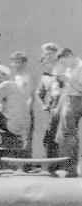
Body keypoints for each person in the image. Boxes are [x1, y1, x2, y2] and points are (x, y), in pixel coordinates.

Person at [0, 65, 32, 159]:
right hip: (23, 127)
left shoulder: (6, 84)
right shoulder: (15, 86)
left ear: (5, 76)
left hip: (13, 124)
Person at [54, 48, 82, 177]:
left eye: (64, 62)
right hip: (70, 100)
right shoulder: (69, 69)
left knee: (70, 135)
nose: (64, 65)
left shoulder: (80, 67)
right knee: (68, 135)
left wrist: (68, 80)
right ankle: (70, 168)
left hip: (77, 99)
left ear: (70, 56)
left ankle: (71, 168)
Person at [36, 43, 64, 169]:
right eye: (45, 55)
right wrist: (43, 105)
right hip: (52, 107)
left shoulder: (62, 70)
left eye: (49, 55)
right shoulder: (46, 76)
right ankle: (52, 166)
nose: (46, 57)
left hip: (62, 104)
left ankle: (60, 164)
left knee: (59, 135)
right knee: (50, 136)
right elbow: (39, 94)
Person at [9, 52, 35, 159]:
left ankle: (26, 165)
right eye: (13, 62)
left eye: (17, 62)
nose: (15, 65)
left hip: (25, 113)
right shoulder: (13, 77)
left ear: (24, 63)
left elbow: (30, 97)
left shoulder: (27, 77)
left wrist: (26, 112)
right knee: (14, 138)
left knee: (26, 139)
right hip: (14, 113)